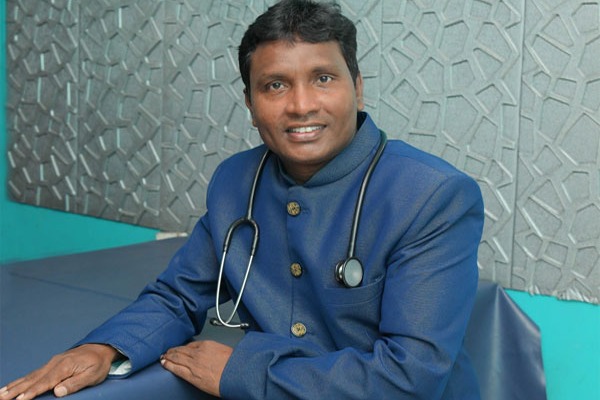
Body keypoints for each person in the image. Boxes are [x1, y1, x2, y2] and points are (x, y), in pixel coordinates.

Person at [0, 0, 484, 399]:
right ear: (251, 105)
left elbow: (410, 376)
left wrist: (247, 372)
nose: (301, 105)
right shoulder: (237, 181)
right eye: (275, 85)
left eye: (323, 78)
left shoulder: (433, 196)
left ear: (357, 89)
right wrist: (104, 348)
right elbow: (179, 296)